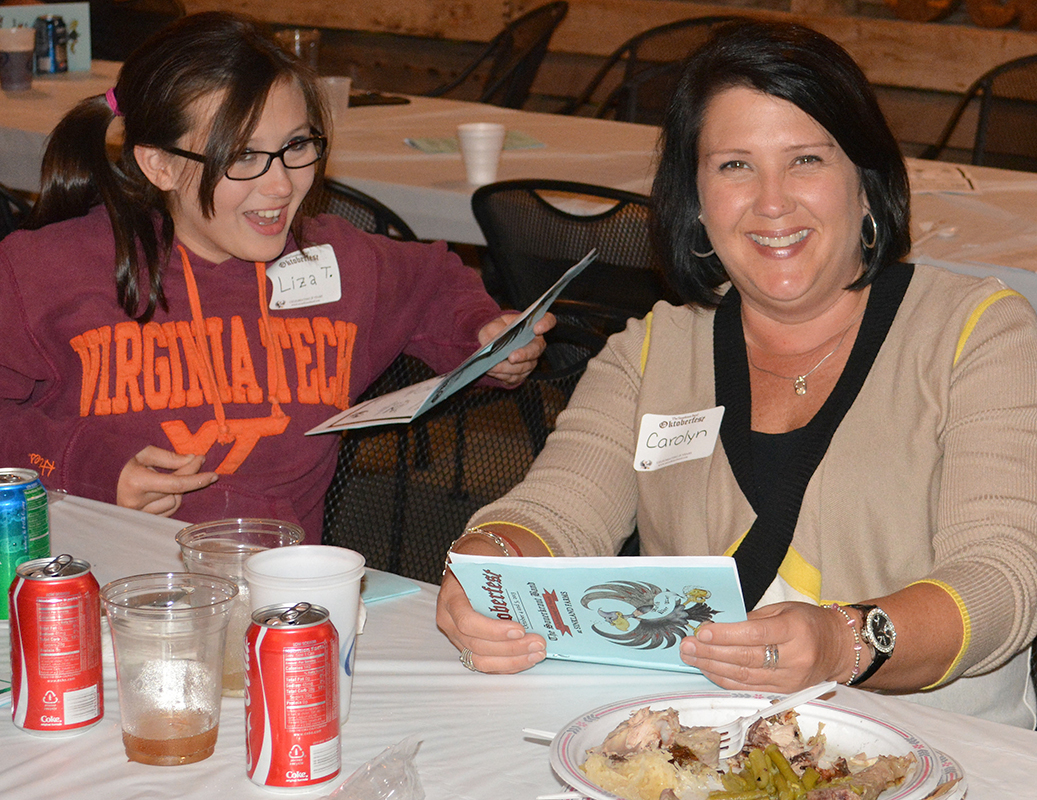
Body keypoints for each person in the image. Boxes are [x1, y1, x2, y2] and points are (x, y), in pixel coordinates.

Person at [436, 19, 1037, 727]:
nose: (771, 201)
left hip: (938, 750)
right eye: (733, 165)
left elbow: (1003, 577)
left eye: (806, 160)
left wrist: (842, 640)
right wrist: (486, 568)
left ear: (865, 182)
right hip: (702, 748)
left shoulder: (976, 331)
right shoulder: (652, 350)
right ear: (693, 200)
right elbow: (555, 510)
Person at [0, 11, 551, 543]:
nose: (281, 186)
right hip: (101, 586)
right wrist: (86, 464)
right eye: (244, 157)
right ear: (158, 164)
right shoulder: (45, 273)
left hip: (279, 600)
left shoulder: (338, 262)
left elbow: (432, 280)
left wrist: (482, 336)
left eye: (296, 146)